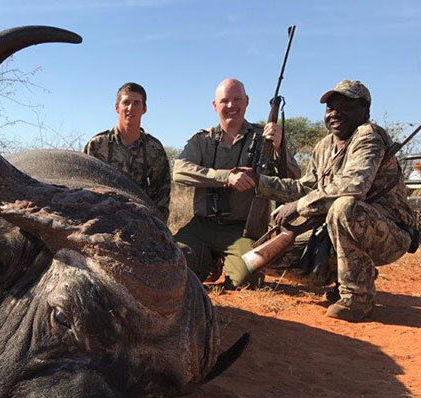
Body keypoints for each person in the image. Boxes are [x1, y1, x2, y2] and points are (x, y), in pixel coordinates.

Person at [247, 80, 417, 322]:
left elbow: (352, 187)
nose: (335, 113)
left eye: (345, 106)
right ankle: (351, 273)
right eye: (330, 108)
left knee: (344, 207)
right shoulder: (324, 145)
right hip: (335, 229)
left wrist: (297, 207)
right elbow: (306, 187)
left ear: (364, 111)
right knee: (266, 259)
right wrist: (259, 182)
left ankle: (357, 297)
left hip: (390, 234)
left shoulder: (368, 136)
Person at [172, 78, 300, 288]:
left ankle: (224, 260)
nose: (231, 106)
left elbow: (294, 179)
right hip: (201, 226)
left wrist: (279, 147)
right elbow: (179, 171)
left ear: (247, 101)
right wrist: (226, 177)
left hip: (242, 230)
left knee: (247, 279)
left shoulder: (263, 137)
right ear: (215, 106)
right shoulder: (201, 140)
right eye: (225, 101)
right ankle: (209, 260)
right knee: (173, 265)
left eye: (237, 99)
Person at [83, 82, 171, 224]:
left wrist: (156, 226)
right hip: (100, 218)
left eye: (137, 103)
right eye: (126, 103)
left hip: (139, 220)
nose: (131, 108)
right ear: (117, 108)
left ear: (144, 109)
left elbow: (162, 195)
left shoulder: (154, 149)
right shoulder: (97, 145)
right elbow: (82, 185)